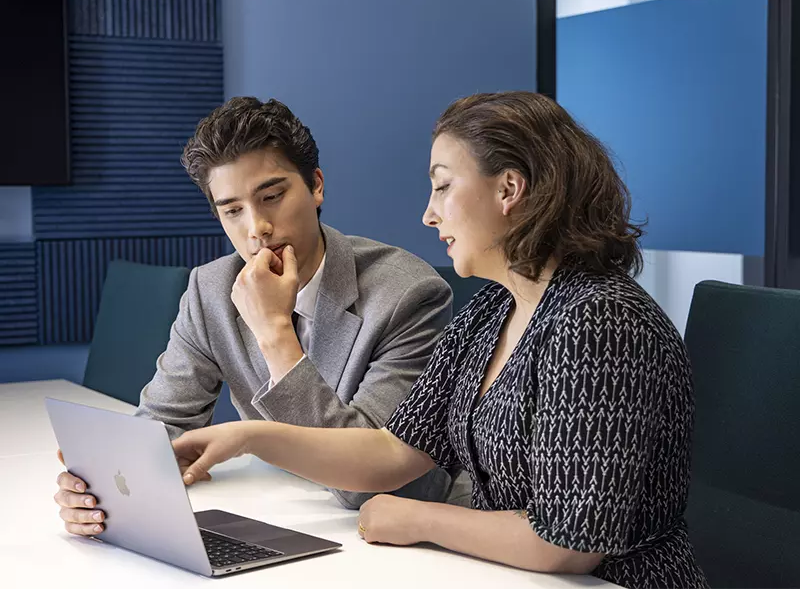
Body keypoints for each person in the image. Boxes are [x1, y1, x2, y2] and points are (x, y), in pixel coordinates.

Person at [128, 91, 710, 588]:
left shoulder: (599, 322)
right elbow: (391, 452)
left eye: (442, 187)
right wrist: (250, 435)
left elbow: (569, 545)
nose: (429, 216)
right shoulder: (490, 313)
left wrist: (419, 520)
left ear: (509, 188)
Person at [52, 97, 455, 531]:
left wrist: (275, 332)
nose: (256, 228)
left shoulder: (408, 294)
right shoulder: (210, 290)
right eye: (232, 210)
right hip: (274, 514)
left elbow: (368, 483)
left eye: (273, 196)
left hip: (389, 534)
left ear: (316, 186)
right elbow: (164, 423)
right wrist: (102, 487)